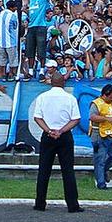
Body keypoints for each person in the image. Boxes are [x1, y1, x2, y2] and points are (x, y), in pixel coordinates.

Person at [30, 67, 81, 212]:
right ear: (63, 83)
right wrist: (61, 131)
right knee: (68, 171)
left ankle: (40, 203)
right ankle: (72, 205)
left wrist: (48, 130)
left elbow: (37, 117)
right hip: (64, 136)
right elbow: (75, 119)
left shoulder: (42, 97)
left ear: (51, 82)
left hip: (47, 135)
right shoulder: (70, 98)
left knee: (44, 170)